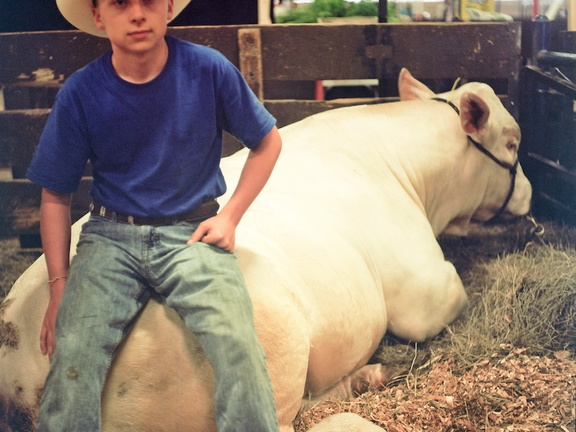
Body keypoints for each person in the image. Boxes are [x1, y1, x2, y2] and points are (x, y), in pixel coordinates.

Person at [26, 0, 282, 431]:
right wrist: (58, 284)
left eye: (148, 1)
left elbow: (268, 141)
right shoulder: (82, 91)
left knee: (236, 336)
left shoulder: (208, 69)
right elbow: (55, 193)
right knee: (75, 348)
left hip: (190, 231)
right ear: (99, 16)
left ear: (168, 7)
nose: (138, 14)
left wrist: (230, 217)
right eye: (121, 3)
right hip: (110, 235)